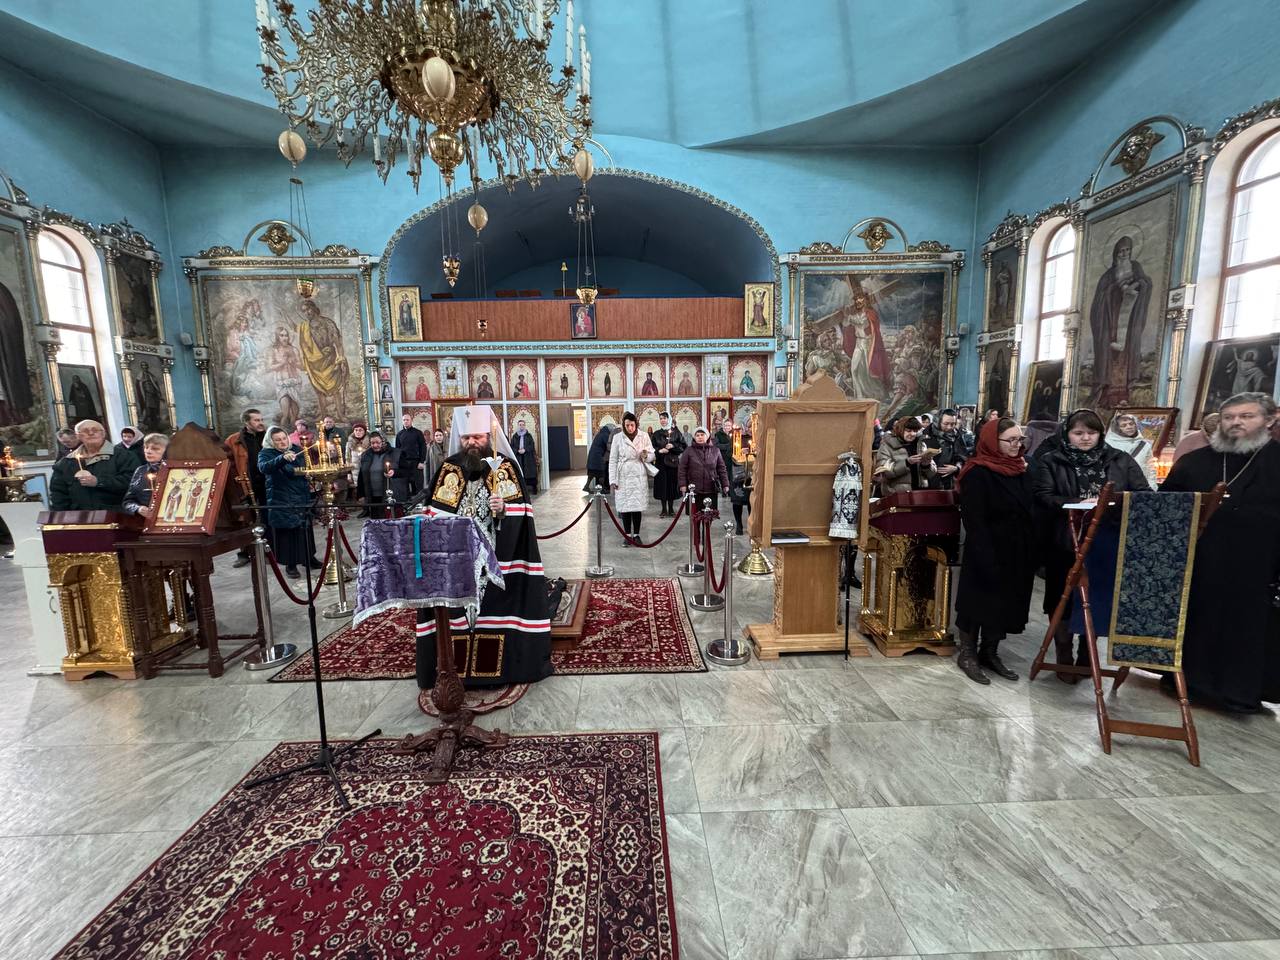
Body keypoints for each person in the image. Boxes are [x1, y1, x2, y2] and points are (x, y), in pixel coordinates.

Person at [418, 404, 552, 688]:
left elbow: (522, 514)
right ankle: (453, 667)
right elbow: (435, 510)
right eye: (466, 438)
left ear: (488, 437)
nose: (472, 443)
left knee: (493, 606)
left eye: (477, 437)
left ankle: (499, 667)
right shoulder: (448, 469)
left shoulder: (504, 467)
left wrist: (503, 510)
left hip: (495, 557)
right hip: (457, 558)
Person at [1161, 392, 1280, 712]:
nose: (1235, 422)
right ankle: (1189, 684)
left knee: (1248, 627)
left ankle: (1240, 693)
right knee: (1199, 620)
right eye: (1229, 417)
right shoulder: (1195, 461)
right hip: (1202, 561)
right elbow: (1164, 506)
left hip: (1258, 564)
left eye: (1246, 416)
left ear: (1269, 420)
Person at [1031, 409, 1151, 681]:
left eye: (1091, 433)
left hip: (1107, 538)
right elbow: (1042, 495)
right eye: (1078, 433)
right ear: (1067, 434)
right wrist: (1077, 502)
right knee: (1061, 598)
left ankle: (1087, 654)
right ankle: (1064, 655)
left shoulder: (1119, 459)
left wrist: (1114, 501)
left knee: (1095, 598)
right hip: (1065, 539)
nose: (1085, 438)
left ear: (1100, 434)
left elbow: (1143, 494)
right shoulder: (1052, 460)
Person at [952, 418, 1036, 684]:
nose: (1016, 445)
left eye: (1019, 439)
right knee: (977, 601)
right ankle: (967, 654)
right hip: (986, 547)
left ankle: (990, 651)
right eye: (1010, 440)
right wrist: (986, 554)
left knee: (1004, 603)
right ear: (992, 441)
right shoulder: (977, 472)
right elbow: (974, 519)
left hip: (1017, 549)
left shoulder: (1021, 469)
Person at [1088, 235, 1152, 408]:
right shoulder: (1108, 275)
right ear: (1116, 253)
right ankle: (1106, 395)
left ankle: (1123, 395)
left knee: (1125, 357)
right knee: (1110, 358)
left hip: (1128, 321)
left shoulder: (1135, 267)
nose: (1124, 254)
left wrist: (1137, 285)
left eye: (1127, 250)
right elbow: (1099, 300)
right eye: (1121, 251)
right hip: (1111, 321)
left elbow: (1146, 283)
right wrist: (1116, 289)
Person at [257, 426, 321, 580]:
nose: (283, 442)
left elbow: (303, 467)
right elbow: (264, 468)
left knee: (304, 529)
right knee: (287, 532)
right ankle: (290, 564)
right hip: (282, 498)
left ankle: (308, 558)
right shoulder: (266, 453)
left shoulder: (296, 449)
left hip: (301, 496)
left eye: (284, 438)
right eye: (278, 440)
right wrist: (282, 458)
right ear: (271, 442)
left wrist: (308, 473)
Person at [49, 419, 134, 511]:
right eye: (85, 431)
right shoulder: (67, 461)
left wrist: (99, 482)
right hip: (80, 515)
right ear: (78, 436)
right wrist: (62, 515)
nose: (91, 433)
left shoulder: (123, 456)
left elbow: (132, 482)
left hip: (116, 514)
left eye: (95, 430)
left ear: (103, 434)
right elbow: (58, 492)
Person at [227, 408, 268, 567]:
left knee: (267, 517)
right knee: (246, 519)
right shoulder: (233, 440)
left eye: (261, 419)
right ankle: (244, 553)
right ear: (246, 422)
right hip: (245, 484)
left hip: (266, 483)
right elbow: (228, 464)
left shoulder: (268, 437)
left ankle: (268, 551)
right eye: (256, 420)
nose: (260, 423)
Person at [298, 298, 349, 418]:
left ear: (314, 308)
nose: (306, 313)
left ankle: (340, 415)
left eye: (308, 309)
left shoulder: (327, 323)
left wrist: (341, 359)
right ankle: (323, 415)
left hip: (329, 359)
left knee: (335, 389)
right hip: (314, 363)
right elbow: (300, 338)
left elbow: (338, 343)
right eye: (304, 311)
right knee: (318, 390)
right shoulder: (304, 326)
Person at [609, 412, 654, 543]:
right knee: (625, 506)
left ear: (636, 424)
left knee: (637, 506)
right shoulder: (618, 438)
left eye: (632, 425)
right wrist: (612, 480)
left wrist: (646, 455)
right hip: (623, 475)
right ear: (623, 425)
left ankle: (637, 535)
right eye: (627, 425)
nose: (630, 428)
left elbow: (652, 454)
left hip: (638, 473)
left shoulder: (644, 436)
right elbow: (613, 460)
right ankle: (627, 535)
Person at [874, 417, 937, 495]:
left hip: (921, 494)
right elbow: (884, 472)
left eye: (915, 431)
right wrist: (907, 463)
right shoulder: (887, 446)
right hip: (897, 495)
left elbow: (932, 474)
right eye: (908, 431)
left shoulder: (921, 445)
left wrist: (926, 465)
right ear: (900, 430)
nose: (912, 434)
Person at [678, 426, 730, 515]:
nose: (700, 437)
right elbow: (682, 469)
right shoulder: (688, 451)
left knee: (709, 516)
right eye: (697, 435)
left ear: (707, 436)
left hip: (711, 489)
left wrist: (725, 484)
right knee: (695, 516)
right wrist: (682, 484)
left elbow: (721, 469)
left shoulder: (716, 451)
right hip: (694, 490)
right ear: (694, 437)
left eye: (702, 435)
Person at [356, 430, 406, 518]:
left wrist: (394, 472)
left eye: (377, 442)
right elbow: (361, 475)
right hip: (373, 497)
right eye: (372, 443)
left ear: (383, 441)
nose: (375, 445)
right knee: (376, 522)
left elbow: (406, 471)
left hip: (392, 495)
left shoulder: (396, 453)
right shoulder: (366, 455)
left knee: (391, 521)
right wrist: (360, 494)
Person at [122, 433, 169, 517]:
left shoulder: (174, 471)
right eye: (146, 447)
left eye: (155, 448)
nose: (148, 451)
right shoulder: (141, 470)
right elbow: (128, 502)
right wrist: (138, 508)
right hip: (145, 520)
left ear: (166, 451)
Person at [1105, 412, 1157, 488]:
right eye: (1124, 425)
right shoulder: (1109, 444)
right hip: (1116, 487)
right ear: (1117, 428)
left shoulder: (1144, 445)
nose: (1129, 427)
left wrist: (1152, 487)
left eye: (1131, 424)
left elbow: (1150, 469)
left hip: (1140, 486)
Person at [924, 408, 970, 490]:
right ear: (937, 422)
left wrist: (957, 468)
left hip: (950, 482)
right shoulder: (925, 435)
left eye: (953, 424)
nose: (949, 427)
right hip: (929, 482)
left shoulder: (957, 435)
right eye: (946, 424)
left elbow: (964, 457)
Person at [651, 411, 686, 517]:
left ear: (668, 419)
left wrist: (673, 446)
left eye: (664, 418)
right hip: (661, 464)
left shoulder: (676, 432)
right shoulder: (656, 434)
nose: (662, 420)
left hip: (673, 464)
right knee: (662, 486)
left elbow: (683, 446)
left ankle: (671, 509)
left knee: (671, 486)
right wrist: (659, 451)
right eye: (661, 418)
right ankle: (663, 509)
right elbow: (651, 448)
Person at [394, 412, 426, 497]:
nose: (406, 421)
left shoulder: (418, 433)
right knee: (405, 484)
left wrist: (422, 461)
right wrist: (398, 463)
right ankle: (407, 502)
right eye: (404, 420)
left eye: (407, 420)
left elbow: (423, 447)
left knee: (418, 484)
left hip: (416, 462)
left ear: (411, 421)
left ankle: (419, 502)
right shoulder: (399, 434)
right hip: (404, 463)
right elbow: (397, 450)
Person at [584, 422, 615, 494]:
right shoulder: (605, 434)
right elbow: (609, 446)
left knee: (592, 472)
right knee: (601, 472)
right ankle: (602, 488)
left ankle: (587, 486)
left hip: (593, 455)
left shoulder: (600, 433)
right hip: (598, 456)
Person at [510, 418, 538, 494]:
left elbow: (532, 446)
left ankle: (534, 489)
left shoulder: (529, 436)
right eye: (520, 425)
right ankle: (522, 490)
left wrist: (525, 450)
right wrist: (517, 450)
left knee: (530, 473)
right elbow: (512, 446)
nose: (521, 426)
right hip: (519, 457)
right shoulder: (515, 436)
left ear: (525, 426)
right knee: (520, 473)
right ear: (518, 426)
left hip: (528, 457)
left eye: (523, 425)